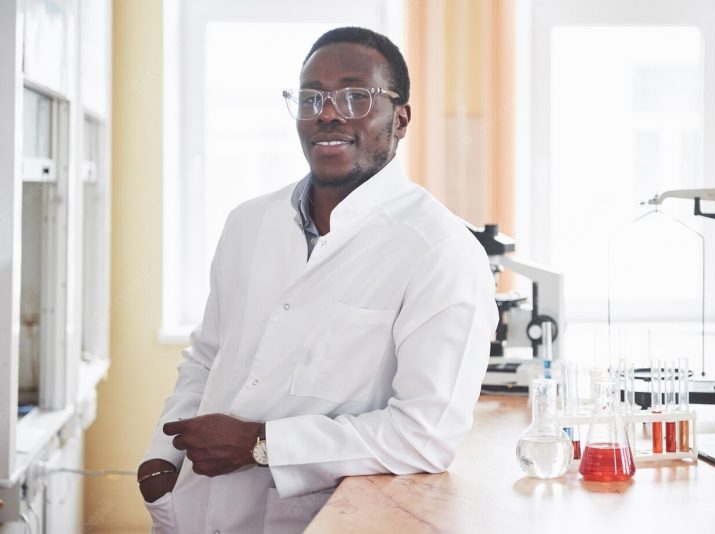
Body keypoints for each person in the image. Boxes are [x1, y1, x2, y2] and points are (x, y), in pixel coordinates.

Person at [138, 26, 498, 533]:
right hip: (192, 508)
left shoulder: (441, 250)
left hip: (309, 518)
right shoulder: (248, 222)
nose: (328, 112)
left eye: (356, 96)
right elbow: (206, 355)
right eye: (312, 97)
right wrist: (160, 463)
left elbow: (426, 436)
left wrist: (261, 444)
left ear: (401, 118)